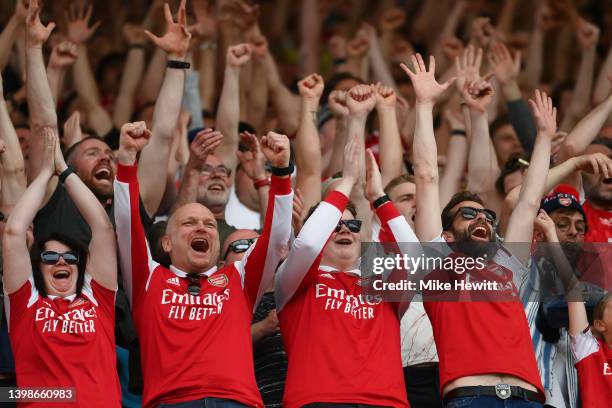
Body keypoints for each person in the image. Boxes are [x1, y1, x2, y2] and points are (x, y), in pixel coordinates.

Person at [403, 53, 553, 407]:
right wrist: (425, 105)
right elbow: (426, 176)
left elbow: (530, 201)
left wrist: (544, 136)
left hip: (529, 399)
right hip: (470, 397)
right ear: (448, 234)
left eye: (486, 215)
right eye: (468, 214)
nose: (482, 218)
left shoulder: (508, 264)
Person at [114, 122, 293, 407]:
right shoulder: (148, 279)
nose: (202, 227)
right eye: (189, 222)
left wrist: (282, 173)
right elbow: (126, 225)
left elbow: (280, 239)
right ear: (167, 243)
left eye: (210, 224)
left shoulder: (239, 280)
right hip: (172, 402)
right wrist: (126, 162)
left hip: (237, 402)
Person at [275, 131, 418, 407]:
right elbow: (306, 246)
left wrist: (378, 197)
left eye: (353, 225)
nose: (345, 230)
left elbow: (414, 257)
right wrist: (348, 182)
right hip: (319, 401)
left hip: (386, 403)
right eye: (334, 225)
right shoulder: (294, 281)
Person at [2, 128, 120, 407]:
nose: (62, 261)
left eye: (70, 257)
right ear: (38, 269)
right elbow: (14, 232)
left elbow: (102, 228)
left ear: (81, 268)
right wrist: (45, 174)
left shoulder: (97, 300)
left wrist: (65, 172)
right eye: (50, 258)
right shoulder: (25, 305)